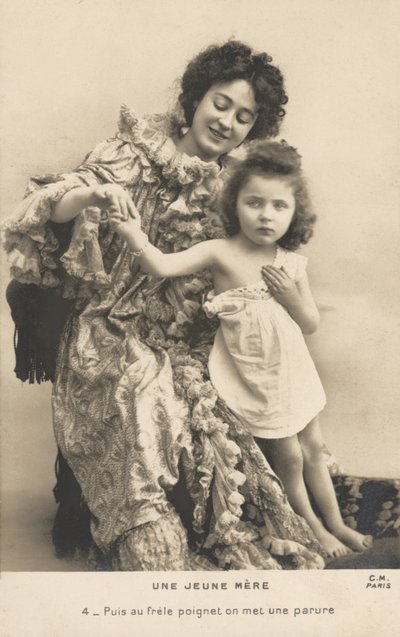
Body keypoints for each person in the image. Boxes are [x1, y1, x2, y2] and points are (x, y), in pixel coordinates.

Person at [4, 39, 392, 571]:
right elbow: (57, 201)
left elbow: (259, 258)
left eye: (244, 117)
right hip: (111, 332)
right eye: (220, 103)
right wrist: (94, 197)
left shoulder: (236, 187)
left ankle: (307, 514)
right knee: (147, 398)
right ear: (195, 99)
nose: (227, 122)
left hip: (193, 339)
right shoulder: (131, 153)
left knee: (233, 433)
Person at [109, 141, 373, 559]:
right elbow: (161, 265)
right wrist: (132, 234)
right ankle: (312, 529)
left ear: (294, 213)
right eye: (254, 203)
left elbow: (309, 323)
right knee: (287, 457)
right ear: (235, 205)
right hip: (253, 376)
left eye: (279, 206)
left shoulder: (290, 262)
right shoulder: (221, 252)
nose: (266, 215)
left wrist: (289, 295)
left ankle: (336, 522)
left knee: (313, 450)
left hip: (293, 372)